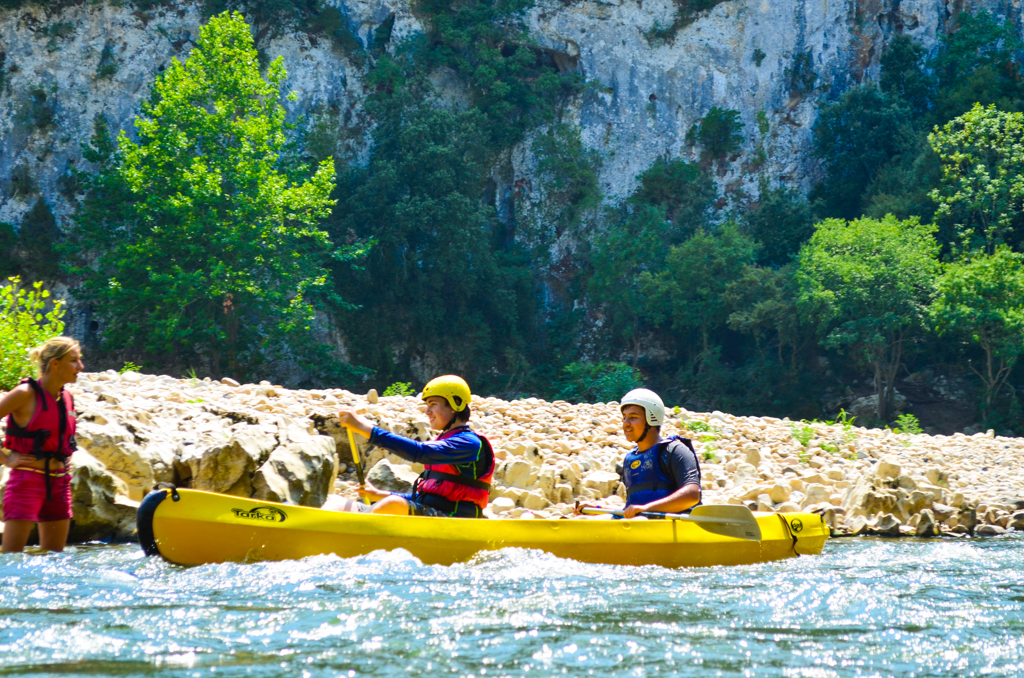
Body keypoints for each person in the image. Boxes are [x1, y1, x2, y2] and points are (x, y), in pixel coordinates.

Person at [323, 375, 494, 518]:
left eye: (433, 404)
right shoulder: (445, 441)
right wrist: (381, 494)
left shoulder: (469, 443)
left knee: (393, 505)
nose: (427, 412)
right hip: (432, 512)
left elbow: (419, 452)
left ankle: (355, 536)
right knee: (337, 502)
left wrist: (365, 428)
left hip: (454, 519)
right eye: (427, 405)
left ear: (456, 404)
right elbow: (425, 498)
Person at [0, 337, 83, 553]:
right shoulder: (25, 394)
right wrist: (7, 459)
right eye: (74, 361)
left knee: (55, 561)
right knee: (11, 560)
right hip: (26, 484)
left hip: (59, 486)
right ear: (55, 364)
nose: (80, 367)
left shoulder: (67, 397)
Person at [575, 388, 701, 519]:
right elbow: (631, 509)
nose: (626, 423)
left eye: (633, 417)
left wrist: (645, 509)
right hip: (639, 524)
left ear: (652, 418)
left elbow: (692, 495)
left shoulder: (675, 451)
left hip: (670, 526)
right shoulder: (630, 459)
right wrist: (598, 509)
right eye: (624, 417)